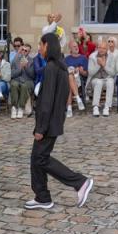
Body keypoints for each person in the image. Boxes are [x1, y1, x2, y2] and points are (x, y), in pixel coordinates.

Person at [25, 33, 95, 211]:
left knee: (40, 158)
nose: (39, 48)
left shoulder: (51, 68)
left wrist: (40, 127)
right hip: (55, 120)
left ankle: (79, 182)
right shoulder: (61, 66)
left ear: (47, 45)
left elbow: (47, 101)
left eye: (40, 45)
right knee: (37, 158)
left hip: (48, 123)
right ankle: (42, 197)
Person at [87, 41, 117, 117]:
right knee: (99, 82)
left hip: (107, 78)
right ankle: (95, 106)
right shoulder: (92, 56)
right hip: (95, 79)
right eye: (100, 47)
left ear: (107, 49)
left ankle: (107, 106)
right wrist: (98, 64)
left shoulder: (111, 57)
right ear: (97, 48)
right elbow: (90, 73)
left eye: (104, 48)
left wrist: (104, 65)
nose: (101, 50)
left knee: (111, 81)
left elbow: (113, 73)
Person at [63, 41, 87, 117]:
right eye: (74, 46)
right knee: (69, 79)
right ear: (70, 48)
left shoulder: (83, 58)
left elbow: (86, 74)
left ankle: (69, 108)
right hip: (69, 81)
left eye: (77, 46)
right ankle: (78, 99)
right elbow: (63, 72)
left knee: (69, 80)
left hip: (80, 80)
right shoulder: (66, 59)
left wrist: (80, 70)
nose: (76, 48)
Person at [9, 41, 32, 119]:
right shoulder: (16, 59)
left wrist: (26, 67)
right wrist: (20, 68)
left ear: (29, 52)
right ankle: (14, 107)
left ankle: (21, 108)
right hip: (17, 79)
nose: (24, 52)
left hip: (27, 81)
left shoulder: (31, 60)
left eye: (26, 51)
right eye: (23, 50)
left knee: (24, 86)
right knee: (14, 84)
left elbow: (32, 75)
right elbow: (12, 74)